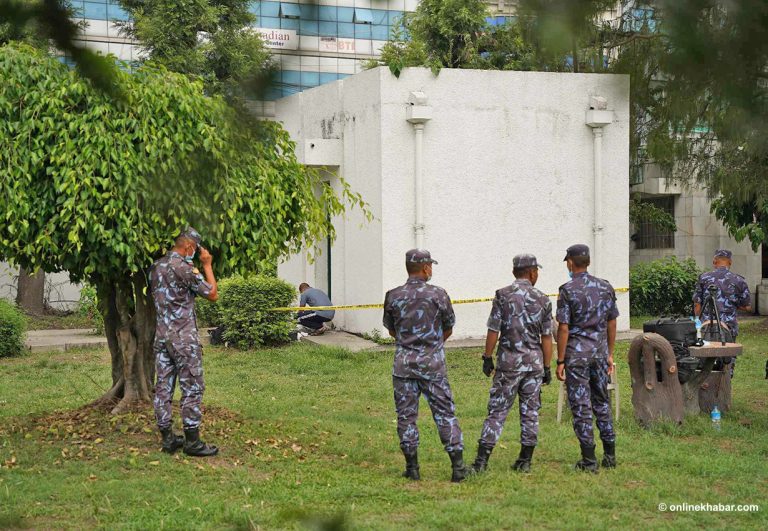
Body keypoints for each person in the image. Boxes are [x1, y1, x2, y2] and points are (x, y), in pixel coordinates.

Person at [383, 249, 467, 482]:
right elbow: (449, 326)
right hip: (433, 365)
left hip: (404, 366)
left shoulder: (393, 296)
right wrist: (432, 346)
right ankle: (458, 468)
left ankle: (412, 468)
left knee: (406, 416)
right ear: (426, 268)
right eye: (431, 265)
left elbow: (391, 329)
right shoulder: (438, 295)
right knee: (445, 414)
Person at [471, 254, 553, 474]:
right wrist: (547, 367)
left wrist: (487, 357)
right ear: (533, 272)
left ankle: (481, 461)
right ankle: (525, 460)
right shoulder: (543, 299)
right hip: (533, 365)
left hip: (508, 364)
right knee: (530, 412)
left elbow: (493, 330)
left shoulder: (502, 295)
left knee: (497, 411)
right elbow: (547, 337)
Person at [150, 227, 219, 457]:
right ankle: (192, 441)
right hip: (183, 339)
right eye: (195, 249)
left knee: (163, 388)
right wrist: (207, 265)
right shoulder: (185, 269)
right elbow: (212, 294)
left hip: (161, 337)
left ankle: (168, 438)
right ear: (189, 246)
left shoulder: (156, 266)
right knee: (192, 387)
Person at [556, 244, 618, 473]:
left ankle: (589, 460)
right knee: (602, 402)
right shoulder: (605, 287)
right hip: (600, 354)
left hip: (576, 357)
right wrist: (609, 353)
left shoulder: (567, 290)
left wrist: (560, 361)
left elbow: (563, 328)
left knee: (581, 405)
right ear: (588, 262)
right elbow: (612, 322)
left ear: (571, 262)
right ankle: (610, 455)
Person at [693, 249, 751, 341]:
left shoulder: (703, 278)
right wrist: (733, 303)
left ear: (714, 261)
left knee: (706, 353)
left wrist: (697, 321)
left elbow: (697, 303)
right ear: (730, 262)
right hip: (729, 327)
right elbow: (747, 307)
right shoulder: (739, 280)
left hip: (707, 327)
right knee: (729, 353)